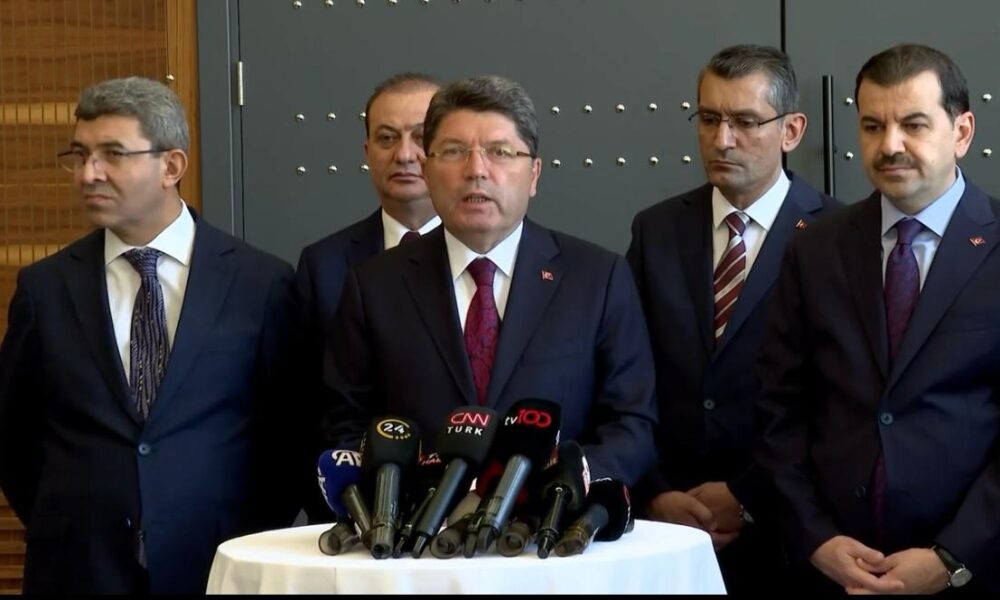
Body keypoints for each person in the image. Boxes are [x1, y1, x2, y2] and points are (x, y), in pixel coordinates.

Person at [0, 77, 302, 594]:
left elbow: (287, 438)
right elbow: (15, 438)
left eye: (113, 154)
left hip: (216, 565)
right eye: (80, 155)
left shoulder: (259, 283)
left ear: (172, 166)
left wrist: (238, 535)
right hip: (79, 568)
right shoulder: (45, 288)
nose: (89, 173)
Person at [322, 75, 657, 487]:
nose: (476, 170)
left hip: (553, 519)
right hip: (415, 522)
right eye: (454, 151)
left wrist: (562, 488)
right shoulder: (374, 286)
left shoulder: (598, 279)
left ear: (534, 174)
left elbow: (631, 423)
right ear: (427, 169)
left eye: (499, 152)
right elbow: (345, 424)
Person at [756, 43, 999, 594]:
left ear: (962, 132)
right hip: (833, 571)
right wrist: (814, 538)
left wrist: (952, 557)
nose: (890, 145)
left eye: (913, 125)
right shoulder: (815, 250)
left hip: (974, 573)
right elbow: (779, 410)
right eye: (872, 126)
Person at [626, 44, 839, 593]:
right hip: (667, 530)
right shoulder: (656, 231)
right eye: (709, 119)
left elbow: (839, 399)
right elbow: (627, 376)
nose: (722, 139)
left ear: (792, 131)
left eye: (745, 122)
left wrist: (748, 495)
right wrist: (655, 492)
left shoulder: (838, 237)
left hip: (791, 537)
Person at [294, 73, 440, 521]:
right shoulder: (324, 264)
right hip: (361, 515)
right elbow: (305, 404)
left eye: (421, 138)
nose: (404, 155)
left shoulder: (487, 258)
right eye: (387, 138)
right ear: (367, 152)